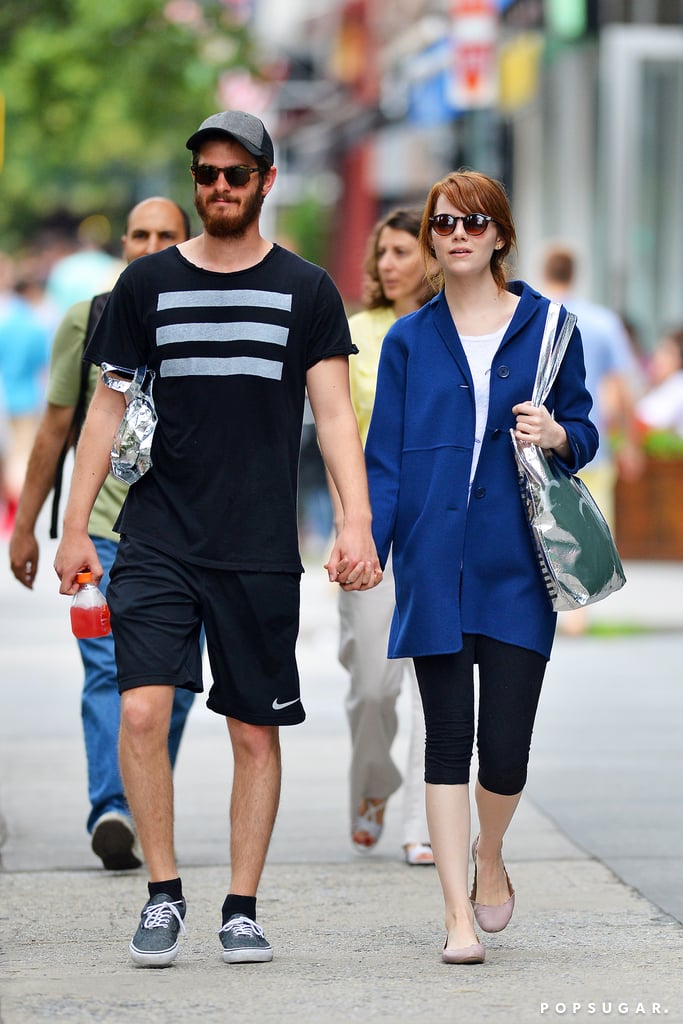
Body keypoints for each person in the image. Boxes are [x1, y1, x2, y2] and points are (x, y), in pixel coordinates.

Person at [53, 109, 381, 968]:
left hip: (259, 541)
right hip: (156, 533)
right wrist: (70, 528)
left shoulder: (307, 290)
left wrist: (354, 522)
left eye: (238, 175)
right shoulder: (146, 286)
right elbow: (108, 408)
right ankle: (163, 895)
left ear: (266, 182)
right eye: (207, 175)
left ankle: (241, 906)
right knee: (141, 708)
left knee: (250, 731)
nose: (221, 188)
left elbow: (335, 413)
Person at [364, 170, 598, 965]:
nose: (457, 234)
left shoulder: (550, 326)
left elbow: (585, 428)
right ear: (430, 238)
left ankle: (488, 853)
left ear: (499, 235)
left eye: (473, 222)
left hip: (516, 564)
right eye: (443, 223)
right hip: (432, 560)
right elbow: (384, 461)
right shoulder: (406, 339)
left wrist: (559, 436)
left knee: (502, 750)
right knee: (444, 738)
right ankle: (457, 917)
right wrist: (367, 541)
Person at [10, 197, 195, 870]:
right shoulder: (86, 319)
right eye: (139, 235)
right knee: (107, 669)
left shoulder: (204, 315)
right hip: (107, 534)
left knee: (174, 686)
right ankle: (111, 806)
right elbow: (55, 429)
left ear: (185, 241)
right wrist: (32, 527)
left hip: (189, 536)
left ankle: (146, 799)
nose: (150, 245)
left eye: (165, 236)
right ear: (123, 244)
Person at [330, 208, 434, 865]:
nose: (388, 264)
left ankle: (422, 823)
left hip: (441, 531)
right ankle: (370, 784)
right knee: (373, 686)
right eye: (382, 253)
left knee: (438, 685)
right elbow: (339, 434)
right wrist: (348, 527)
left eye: (402, 251)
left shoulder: (453, 331)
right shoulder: (355, 334)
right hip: (372, 532)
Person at [538, 245, 642, 633]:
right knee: (589, 518)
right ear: (574, 273)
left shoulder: (529, 315)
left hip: (534, 441)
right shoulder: (601, 322)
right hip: (587, 439)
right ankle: (578, 609)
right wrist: (627, 441)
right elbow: (618, 388)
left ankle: (547, 594)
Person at [635, 326, 683, 438]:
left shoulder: (678, 383)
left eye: (667, 353)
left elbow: (652, 422)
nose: (658, 357)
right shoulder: (662, 384)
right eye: (659, 350)